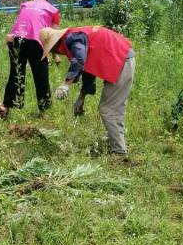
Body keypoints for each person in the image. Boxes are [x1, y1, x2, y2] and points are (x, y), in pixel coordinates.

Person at [39, 25, 135, 156]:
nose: (56, 53)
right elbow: (88, 69)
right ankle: (115, 142)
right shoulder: (76, 36)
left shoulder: (72, 39)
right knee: (112, 108)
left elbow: (79, 60)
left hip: (120, 60)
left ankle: (119, 152)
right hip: (121, 58)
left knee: (109, 109)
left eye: (52, 50)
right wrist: (81, 97)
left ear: (55, 44)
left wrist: (66, 84)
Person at [3, 0, 61, 114]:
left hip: (16, 39)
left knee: (16, 74)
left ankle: (7, 108)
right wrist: (55, 55)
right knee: (41, 75)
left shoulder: (25, 5)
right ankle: (44, 110)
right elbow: (53, 35)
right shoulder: (53, 10)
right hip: (36, 42)